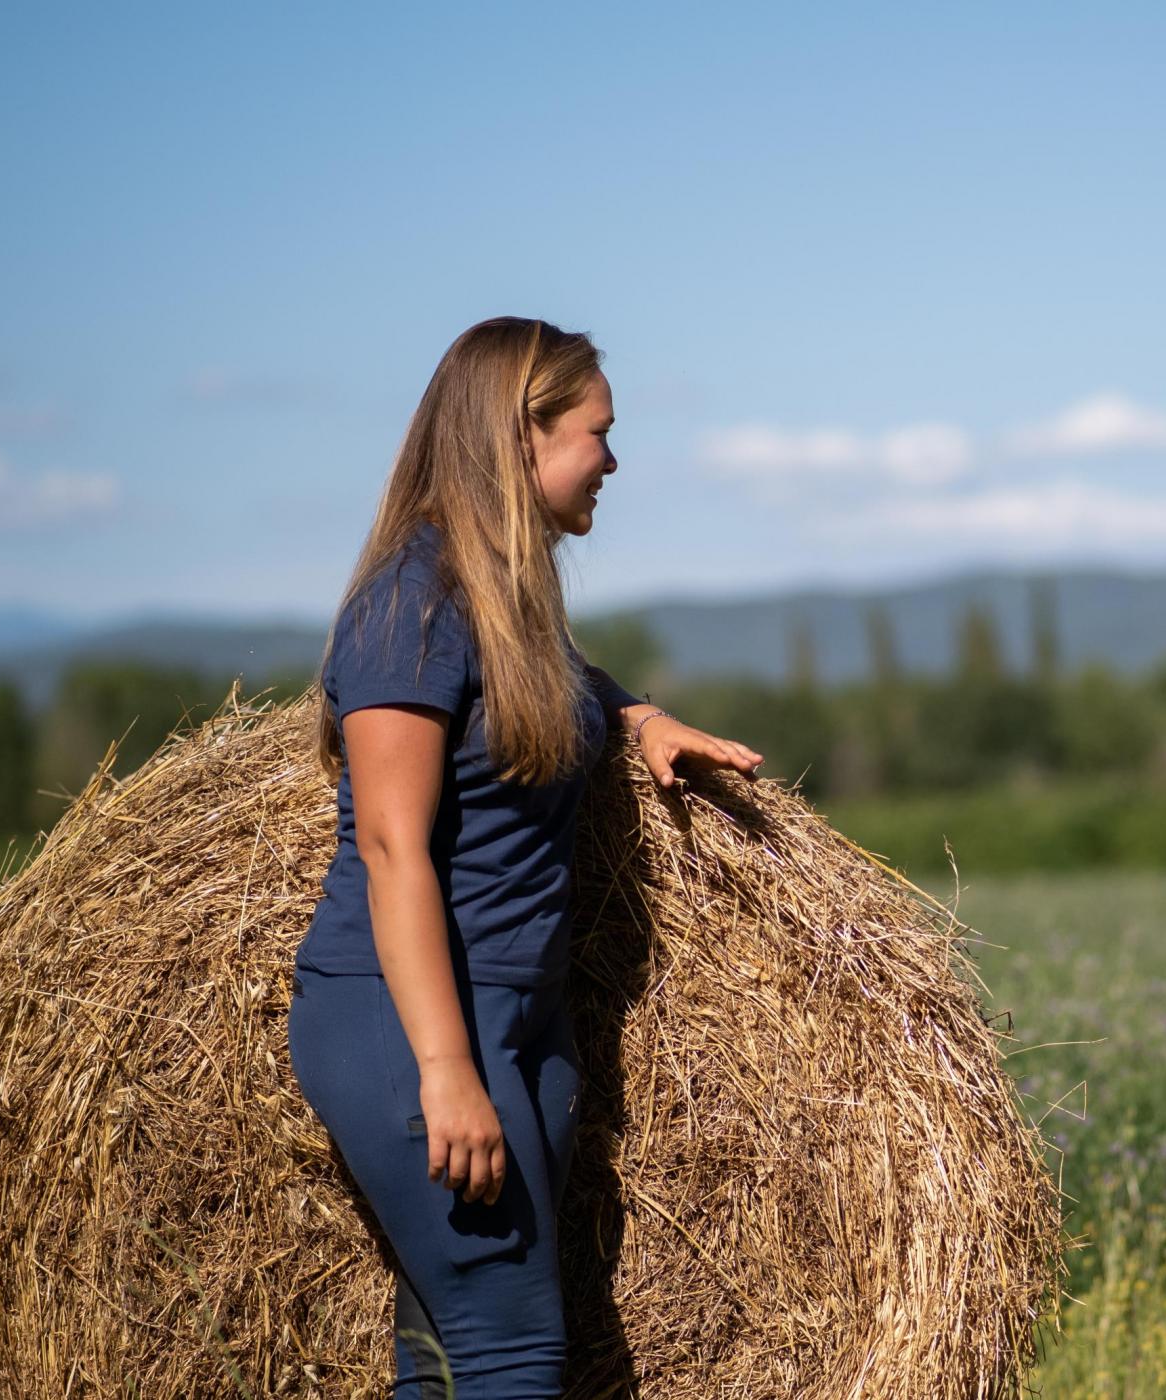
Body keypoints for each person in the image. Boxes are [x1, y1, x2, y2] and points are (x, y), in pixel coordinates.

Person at [287, 316, 763, 1397]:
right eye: (597, 431)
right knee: (511, 1349)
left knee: (450, 1354)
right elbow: (391, 843)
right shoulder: (410, 605)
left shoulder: (501, 598)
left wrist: (639, 717)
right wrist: (446, 1073)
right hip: (410, 1019)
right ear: (521, 435)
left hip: (523, 1013)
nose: (613, 458)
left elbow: (548, 673)